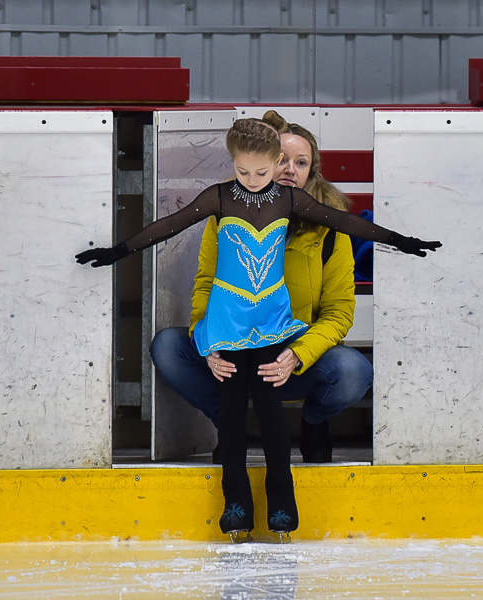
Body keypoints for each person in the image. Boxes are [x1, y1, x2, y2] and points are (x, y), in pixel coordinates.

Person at [76, 118, 441, 541]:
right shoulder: (220, 200)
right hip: (229, 326)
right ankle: (235, 506)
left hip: (276, 332)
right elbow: (174, 231)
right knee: (222, 406)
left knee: (277, 414)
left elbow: (350, 244)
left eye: (296, 163)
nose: (263, 177)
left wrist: (402, 241)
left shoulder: (299, 208)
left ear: (309, 169)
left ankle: (283, 501)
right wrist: (120, 253)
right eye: (250, 170)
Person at [151, 110, 375, 464]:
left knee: (352, 372)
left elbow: (339, 313)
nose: (290, 169)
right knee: (168, 348)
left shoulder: (331, 229)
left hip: (291, 358)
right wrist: (209, 343)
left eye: (301, 163)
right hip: (235, 352)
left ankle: (314, 422)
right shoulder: (226, 214)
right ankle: (230, 426)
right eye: (281, 159)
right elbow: (206, 285)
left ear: (311, 173)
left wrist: (297, 354)